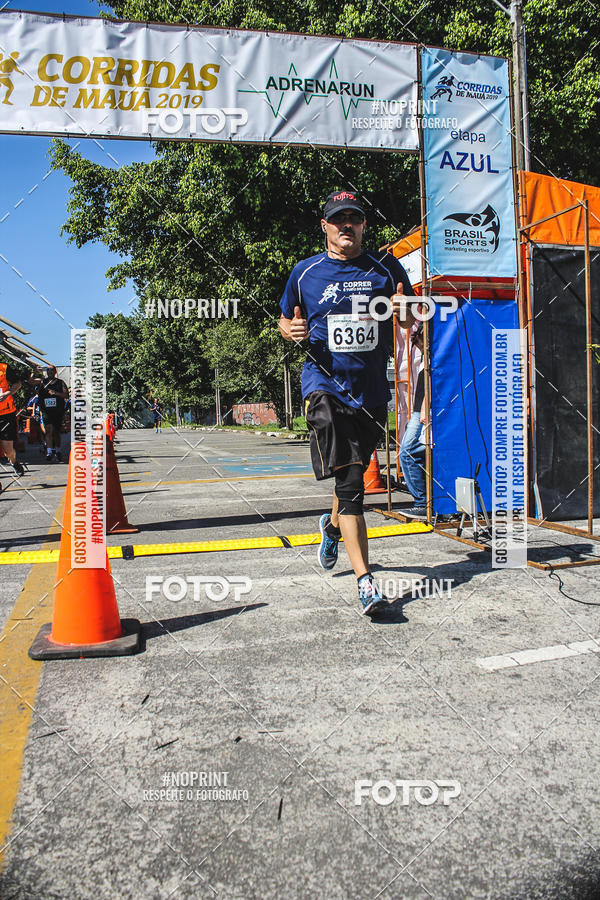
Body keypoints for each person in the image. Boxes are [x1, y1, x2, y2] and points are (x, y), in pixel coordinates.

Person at [279, 188, 414, 616]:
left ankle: (332, 527)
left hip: (370, 392)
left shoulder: (385, 267)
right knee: (353, 482)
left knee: (350, 476)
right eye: (338, 220)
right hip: (324, 386)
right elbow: (285, 317)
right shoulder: (305, 272)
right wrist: (289, 330)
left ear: (364, 225)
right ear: (325, 227)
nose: (346, 226)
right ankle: (366, 583)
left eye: (353, 218)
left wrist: (405, 307)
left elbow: (412, 316)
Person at [399, 323, 427, 519]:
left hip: (424, 411)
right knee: (412, 453)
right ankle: (425, 501)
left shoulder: (437, 351)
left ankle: (422, 502)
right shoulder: (426, 354)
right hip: (419, 410)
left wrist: (424, 408)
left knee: (408, 452)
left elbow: (432, 382)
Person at [31, 365, 69, 462]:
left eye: (52, 370)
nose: (50, 371)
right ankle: (49, 452)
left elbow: (66, 395)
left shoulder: (60, 383)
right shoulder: (42, 382)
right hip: (46, 410)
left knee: (56, 431)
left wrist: (56, 393)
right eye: (48, 370)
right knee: (48, 430)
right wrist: (34, 372)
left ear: (55, 372)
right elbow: (31, 381)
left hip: (57, 411)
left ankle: (58, 450)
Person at [0, 360, 25, 477]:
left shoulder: (4, 368)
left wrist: (7, 394)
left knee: (8, 451)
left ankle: (13, 461)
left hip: (6, 414)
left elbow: (18, 383)